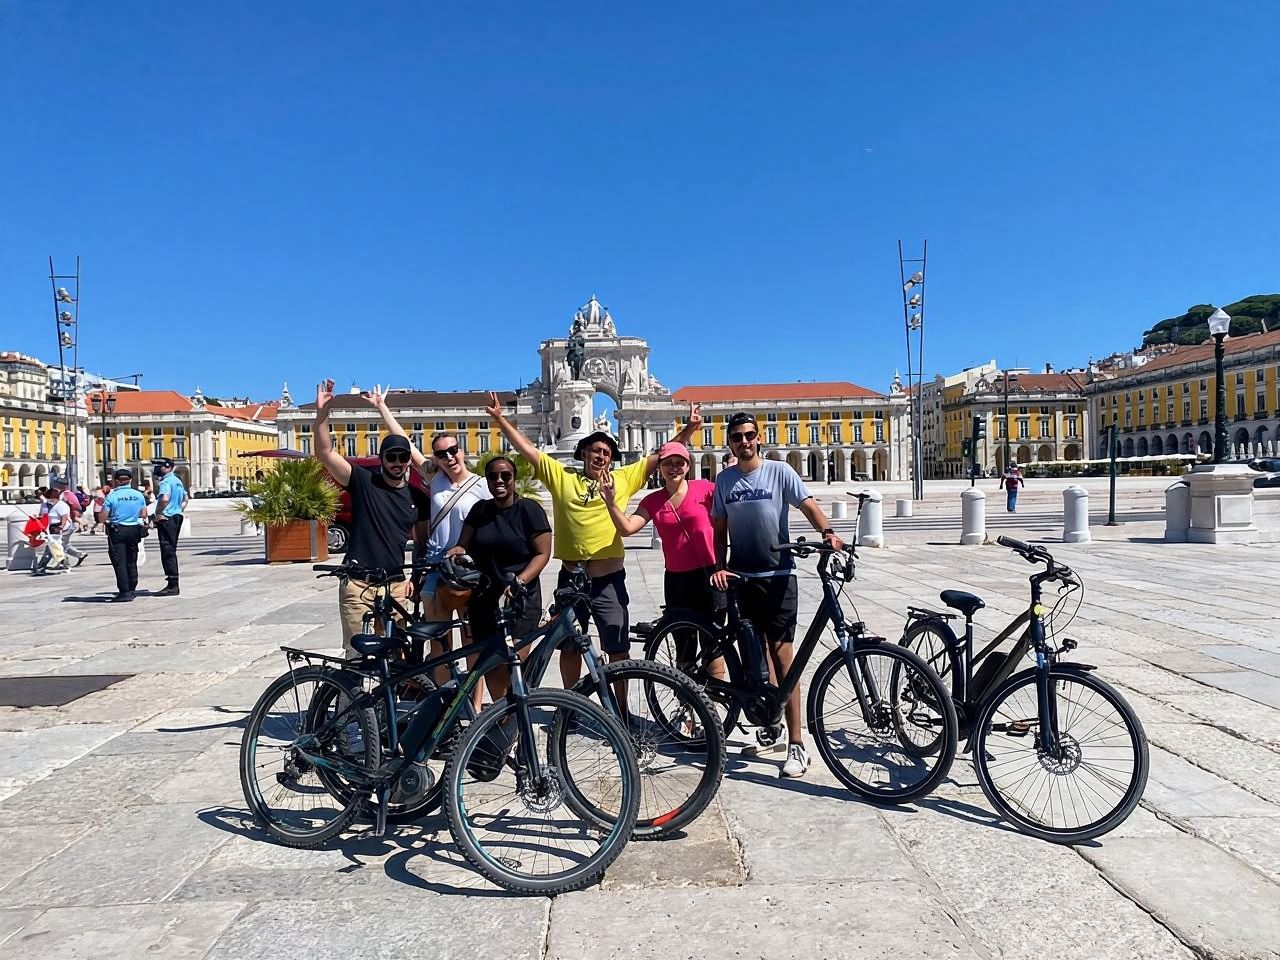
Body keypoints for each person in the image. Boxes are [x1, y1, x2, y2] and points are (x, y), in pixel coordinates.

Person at [486, 391, 701, 688]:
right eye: (595, 450)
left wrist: (689, 429)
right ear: (584, 454)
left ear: (612, 459)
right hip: (571, 579)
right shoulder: (563, 478)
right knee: (569, 646)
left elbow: (663, 455)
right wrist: (500, 420)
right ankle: (571, 706)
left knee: (617, 647)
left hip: (608, 580)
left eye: (606, 452)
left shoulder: (623, 479)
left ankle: (622, 713)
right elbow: (529, 451)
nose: (601, 456)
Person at [710, 412, 844, 778]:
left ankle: (798, 743)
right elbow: (719, 527)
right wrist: (718, 565)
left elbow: (809, 505)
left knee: (784, 657)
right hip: (741, 577)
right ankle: (771, 725)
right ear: (731, 443)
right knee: (755, 657)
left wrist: (829, 532)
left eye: (749, 435)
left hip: (779, 575)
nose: (744, 441)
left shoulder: (780, 471)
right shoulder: (724, 480)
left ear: (759, 437)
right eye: (737, 436)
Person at [363, 387, 490, 670]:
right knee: (439, 641)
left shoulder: (482, 486)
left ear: (462, 450)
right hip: (436, 568)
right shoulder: (435, 478)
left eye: (453, 450)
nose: (449, 457)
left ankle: (477, 707)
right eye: (441, 454)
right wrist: (381, 407)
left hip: (469, 569)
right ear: (435, 458)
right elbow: (406, 444)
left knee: (471, 640)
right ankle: (442, 702)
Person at [314, 379, 431, 655]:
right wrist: (322, 413)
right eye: (391, 457)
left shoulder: (417, 498)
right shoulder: (364, 482)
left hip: (396, 585)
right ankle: (348, 698)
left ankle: (389, 700)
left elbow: (422, 544)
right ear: (382, 459)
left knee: (399, 657)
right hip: (357, 584)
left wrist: (416, 578)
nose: (398, 462)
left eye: (403, 457)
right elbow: (324, 453)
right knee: (356, 658)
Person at [600, 440, 726, 680]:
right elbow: (627, 528)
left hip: (710, 575)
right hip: (677, 581)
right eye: (668, 463)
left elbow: (728, 519)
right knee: (684, 646)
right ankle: (688, 711)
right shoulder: (653, 501)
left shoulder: (706, 489)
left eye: (680, 463)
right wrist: (610, 501)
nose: (674, 468)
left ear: (688, 466)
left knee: (714, 645)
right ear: (660, 468)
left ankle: (717, 710)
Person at [448, 454, 552, 705]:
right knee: (492, 662)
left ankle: (516, 716)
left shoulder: (529, 510)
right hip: (485, 598)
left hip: (519, 598)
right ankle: (501, 718)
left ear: (514, 478)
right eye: (493, 476)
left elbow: (543, 553)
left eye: (506, 475)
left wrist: (520, 580)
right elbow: (463, 544)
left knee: (514, 660)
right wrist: (456, 553)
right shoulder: (480, 510)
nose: (499, 480)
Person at [97, 468, 148, 602]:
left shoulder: (112, 496)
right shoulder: (138, 495)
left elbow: (103, 518)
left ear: (116, 481)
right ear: (130, 480)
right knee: (131, 560)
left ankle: (124, 591)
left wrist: (100, 509)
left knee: (120, 561)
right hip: (134, 529)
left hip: (118, 530)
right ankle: (132, 588)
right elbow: (143, 514)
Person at [151, 458, 188, 596]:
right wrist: (178, 510)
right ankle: (173, 582)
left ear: (166, 467)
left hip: (167, 518)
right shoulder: (177, 481)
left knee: (167, 550)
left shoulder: (166, 482)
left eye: (159, 466)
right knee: (171, 548)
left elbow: (164, 499)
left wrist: (158, 513)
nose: (157, 469)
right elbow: (186, 499)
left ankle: (172, 584)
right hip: (177, 516)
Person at [34, 486, 71, 574]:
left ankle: (41, 566)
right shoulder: (48, 505)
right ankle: (65, 564)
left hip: (57, 527)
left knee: (52, 547)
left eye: (50, 498)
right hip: (51, 528)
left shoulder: (60, 505)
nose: (50, 500)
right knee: (55, 547)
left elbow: (64, 517)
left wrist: (61, 526)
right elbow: (44, 515)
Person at [52, 478, 87, 567]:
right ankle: (79, 555)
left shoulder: (67, 494)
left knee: (59, 543)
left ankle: (63, 561)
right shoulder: (63, 494)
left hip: (67, 522)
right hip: (65, 522)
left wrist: (73, 514)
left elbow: (76, 506)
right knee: (63, 544)